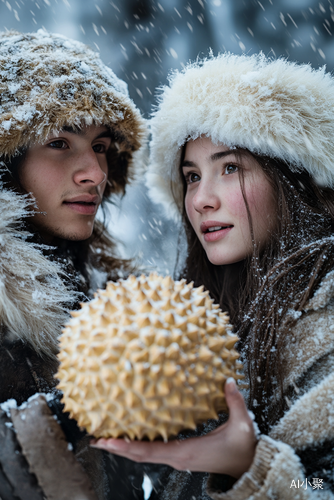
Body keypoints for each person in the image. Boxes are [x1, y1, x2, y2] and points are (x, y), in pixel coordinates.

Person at [91, 53, 334, 499]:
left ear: (292, 178)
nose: (201, 198)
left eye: (229, 168)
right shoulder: (200, 318)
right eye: (191, 176)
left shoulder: (328, 317)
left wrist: (249, 467)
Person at [0, 29, 146, 499]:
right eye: (61, 143)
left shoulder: (112, 298)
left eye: (101, 146)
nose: (96, 173)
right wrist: (64, 419)